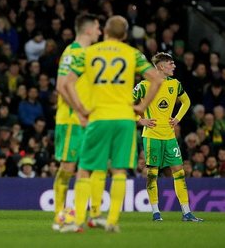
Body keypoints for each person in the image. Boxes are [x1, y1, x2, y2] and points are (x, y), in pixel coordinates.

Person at [62, 16, 162, 233]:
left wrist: (80, 109)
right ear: (125, 35)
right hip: (125, 119)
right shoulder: (132, 53)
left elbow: (68, 82)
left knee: (85, 169)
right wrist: (142, 106)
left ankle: (78, 221)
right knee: (118, 171)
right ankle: (112, 221)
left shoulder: (89, 53)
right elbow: (157, 79)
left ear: (105, 31)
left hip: (98, 118)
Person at [133, 52, 203, 222]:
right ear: (162, 66)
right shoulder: (143, 85)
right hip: (152, 136)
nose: (174, 66)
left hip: (169, 136)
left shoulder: (175, 84)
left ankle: (187, 212)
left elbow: (186, 102)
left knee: (179, 172)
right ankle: (156, 212)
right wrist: (141, 120)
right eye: (171, 64)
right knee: (152, 174)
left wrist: (177, 118)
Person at [52, 14, 103, 231]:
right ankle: (60, 216)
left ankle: (89, 214)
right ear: (89, 30)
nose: (100, 32)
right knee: (68, 167)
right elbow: (61, 86)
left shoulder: (88, 54)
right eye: (98, 28)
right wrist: (80, 111)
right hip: (71, 121)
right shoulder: (72, 53)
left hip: (86, 121)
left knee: (90, 168)